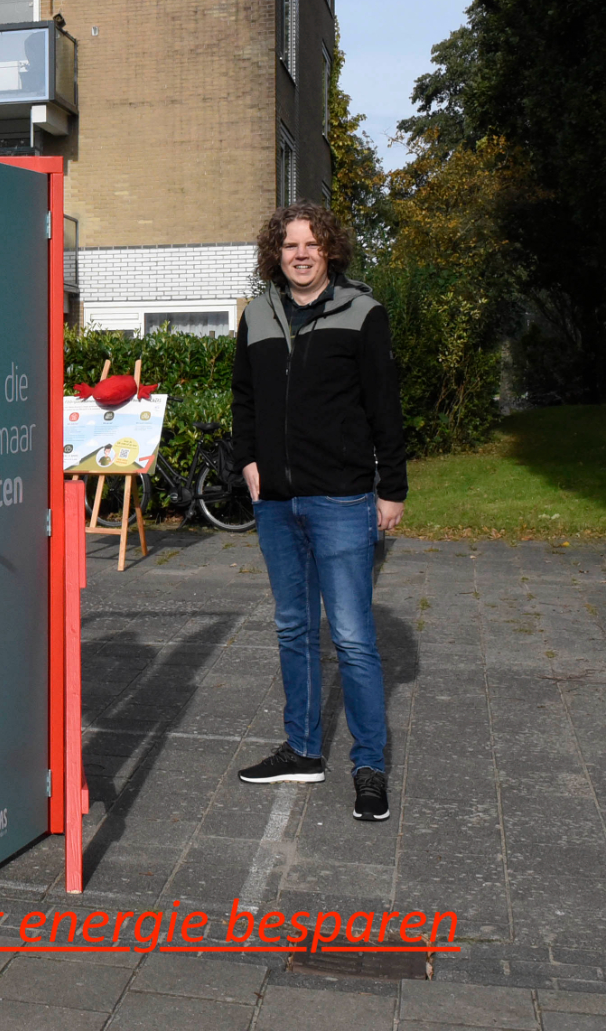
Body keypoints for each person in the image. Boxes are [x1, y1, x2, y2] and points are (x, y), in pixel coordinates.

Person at [231, 202, 407, 824]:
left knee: (354, 639)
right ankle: (304, 749)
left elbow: (385, 405)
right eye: (288, 246)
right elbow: (244, 399)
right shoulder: (257, 314)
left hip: (343, 498)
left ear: (329, 250)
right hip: (277, 502)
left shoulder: (363, 312)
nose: (300, 254)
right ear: (274, 255)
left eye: (311, 244)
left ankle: (370, 765)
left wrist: (392, 489)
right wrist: (247, 461)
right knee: (293, 630)